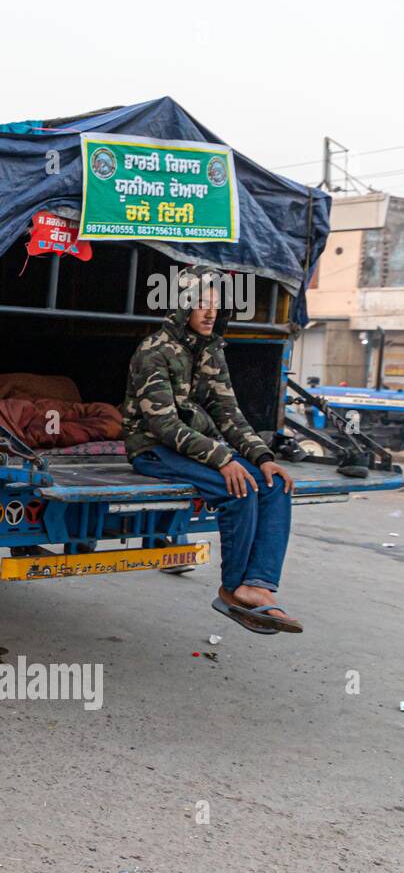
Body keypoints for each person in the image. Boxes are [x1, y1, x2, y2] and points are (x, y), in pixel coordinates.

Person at [123, 266, 301, 633]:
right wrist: (223, 460)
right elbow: (163, 426)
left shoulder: (211, 351)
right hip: (152, 448)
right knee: (237, 489)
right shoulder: (153, 351)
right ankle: (234, 589)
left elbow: (229, 414)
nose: (210, 312)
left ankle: (259, 586)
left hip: (191, 448)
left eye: (215, 304)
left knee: (273, 485)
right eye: (201, 303)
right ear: (180, 305)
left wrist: (261, 457)